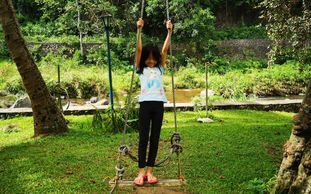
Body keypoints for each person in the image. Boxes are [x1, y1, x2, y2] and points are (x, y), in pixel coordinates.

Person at [133, 18, 173, 186]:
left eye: (153, 58)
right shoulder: (140, 69)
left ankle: (150, 171)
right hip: (145, 105)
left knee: (155, 138)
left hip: (158, 105)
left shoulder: (159, 68)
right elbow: (139, 49)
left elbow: (164, 50)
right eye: (148, 58)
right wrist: (139, 30)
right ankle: (141, 172)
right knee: (143, 138)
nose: (151, 61)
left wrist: (169, 32)